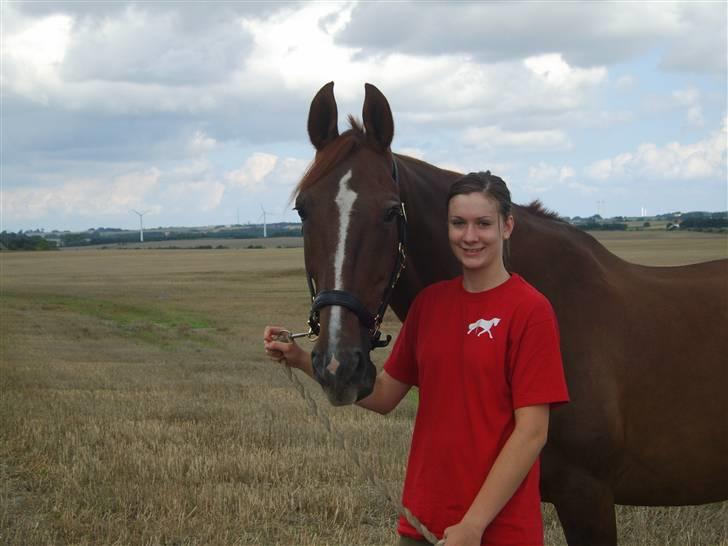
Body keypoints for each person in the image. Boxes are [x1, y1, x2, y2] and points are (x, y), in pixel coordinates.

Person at [264, 172, 569, 546]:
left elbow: (532, 432)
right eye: (458, 223)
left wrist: (474, 525)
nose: (470, 236)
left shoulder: (530, 311)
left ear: (507, 226)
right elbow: (383, 395)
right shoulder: (430, 305)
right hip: (421, 525)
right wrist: (300, 359)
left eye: (483, 224)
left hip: (499, 533)